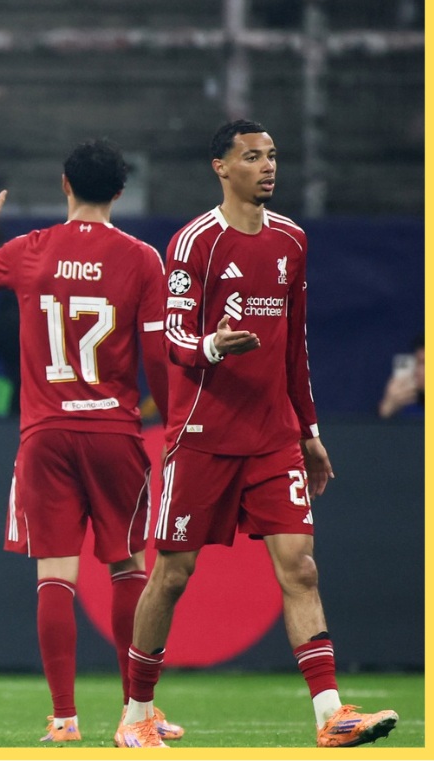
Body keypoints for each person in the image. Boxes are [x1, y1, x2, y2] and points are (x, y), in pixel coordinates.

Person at [116, 120, 399, 749]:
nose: (268, 166)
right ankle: (137, 713)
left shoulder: (292, 241)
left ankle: (330, 714)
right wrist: (212, 345)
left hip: (272, 437)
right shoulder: (194, 243)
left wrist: (309, 430)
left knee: (300, 568)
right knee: (172, 575)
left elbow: (293, 344)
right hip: (202, 432)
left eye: (272, 155)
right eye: (252, 156)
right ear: (220, 167)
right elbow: (171, 338)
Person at [0, 143, 182, 743]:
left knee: (56, 575)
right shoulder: (142, 259)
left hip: (45, 435)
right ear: (120, 194)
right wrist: (175, 424)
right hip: (114, 433)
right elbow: (157, 357)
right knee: (128, 568)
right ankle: (137, 714)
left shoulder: (32, 250)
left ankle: (64, 720)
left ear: (64, 185)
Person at [377, 335, 423, 418]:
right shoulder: (408, 408)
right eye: (416, 362)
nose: (416, 370)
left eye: (423, 363)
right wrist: (387, 409)